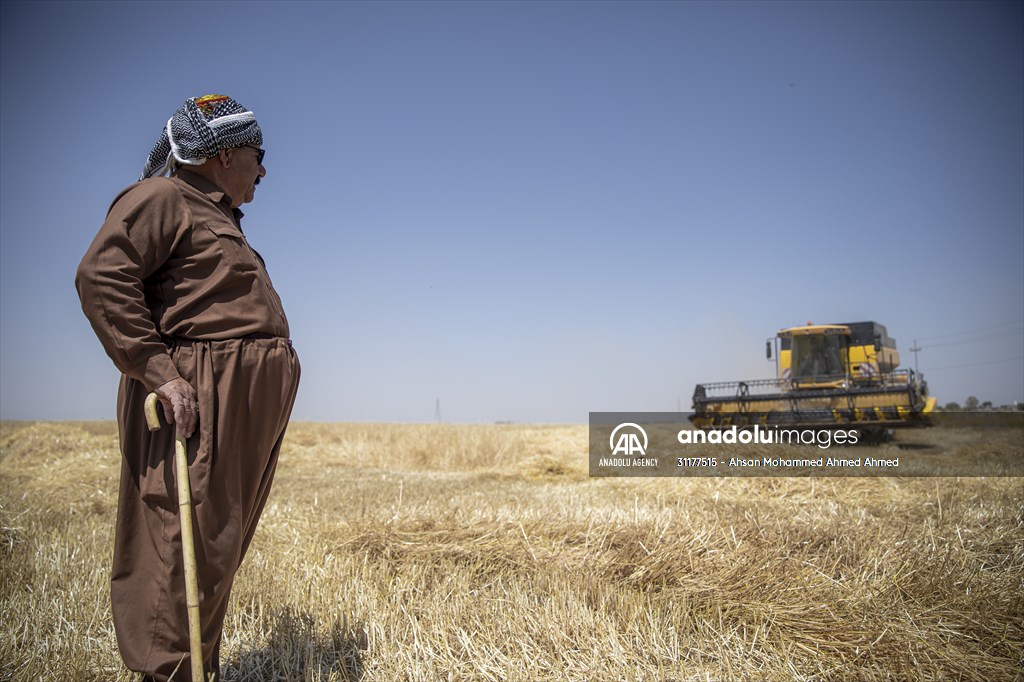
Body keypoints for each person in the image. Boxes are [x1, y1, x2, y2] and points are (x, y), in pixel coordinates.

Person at [75, 94, 301, 681]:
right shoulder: (163, 198)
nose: (264, 168)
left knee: (215, 545)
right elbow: (102, 276)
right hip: (198, 398)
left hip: (237, 402)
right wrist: (160, 373)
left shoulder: (215, 213)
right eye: (258, 153)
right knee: (182, 543)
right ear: (224, 154)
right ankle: (167, 671)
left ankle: (197, 669)